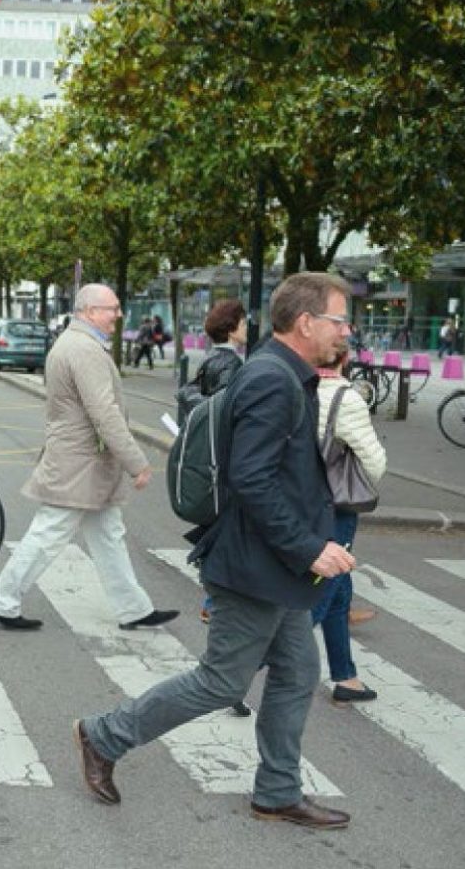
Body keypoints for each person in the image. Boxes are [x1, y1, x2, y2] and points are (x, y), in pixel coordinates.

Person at [73, 272, 356, 830]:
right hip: (256, 568)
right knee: (222, 681)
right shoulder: (274, 379)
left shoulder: (284, 373)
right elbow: (252, 480)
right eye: (339, 319)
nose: (346, 329)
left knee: (298, 671)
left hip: (274, 567)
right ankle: (104, 734)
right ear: (306, 322)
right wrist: (308, 548)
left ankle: (276, 791)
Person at [0, 284, 178, 632]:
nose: (117, 314)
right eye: (111, 308)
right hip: (79, 463)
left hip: (82, 461)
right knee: (48, 533)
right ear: (89, 311)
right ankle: (1, 604)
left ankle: (132, 608)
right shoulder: (84, 350)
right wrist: (136, 461)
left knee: (108, 534)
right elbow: (104, 412)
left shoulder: (74, 344)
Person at [313, 345, 387, 701]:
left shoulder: (298, 387)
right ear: (343, 360)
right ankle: (246, 669)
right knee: (324, 589)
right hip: (338, 505)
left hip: (304, 499)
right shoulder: (347, 396)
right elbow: (375, 461)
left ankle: (346, 676)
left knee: (339, 589)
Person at [194, 299, 248, 628]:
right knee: (227, 531)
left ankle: (214, 600)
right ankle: (213, 602)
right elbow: (228, 411)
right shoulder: (230, 364)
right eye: (242, 321)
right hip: (223, 457)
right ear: (231, 326)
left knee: (220, 529)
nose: (247, 326)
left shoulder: (209, 359)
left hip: (210, 456)